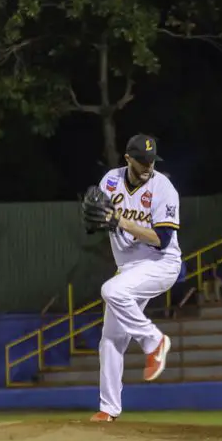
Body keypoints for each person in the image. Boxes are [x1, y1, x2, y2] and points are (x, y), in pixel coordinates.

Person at [84, 134, 181, 422]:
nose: (148, 165)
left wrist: (119, 221)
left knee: (111, 290)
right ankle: (109, 409)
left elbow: (162, 239)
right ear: (128, 159)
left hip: (161, 263)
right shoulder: (111, 181)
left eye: (152, 160)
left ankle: (154, 341)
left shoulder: (163, 188)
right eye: (142, 161)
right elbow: (100, 217)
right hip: (129, 269)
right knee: (110, 339)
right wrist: (96, 220)